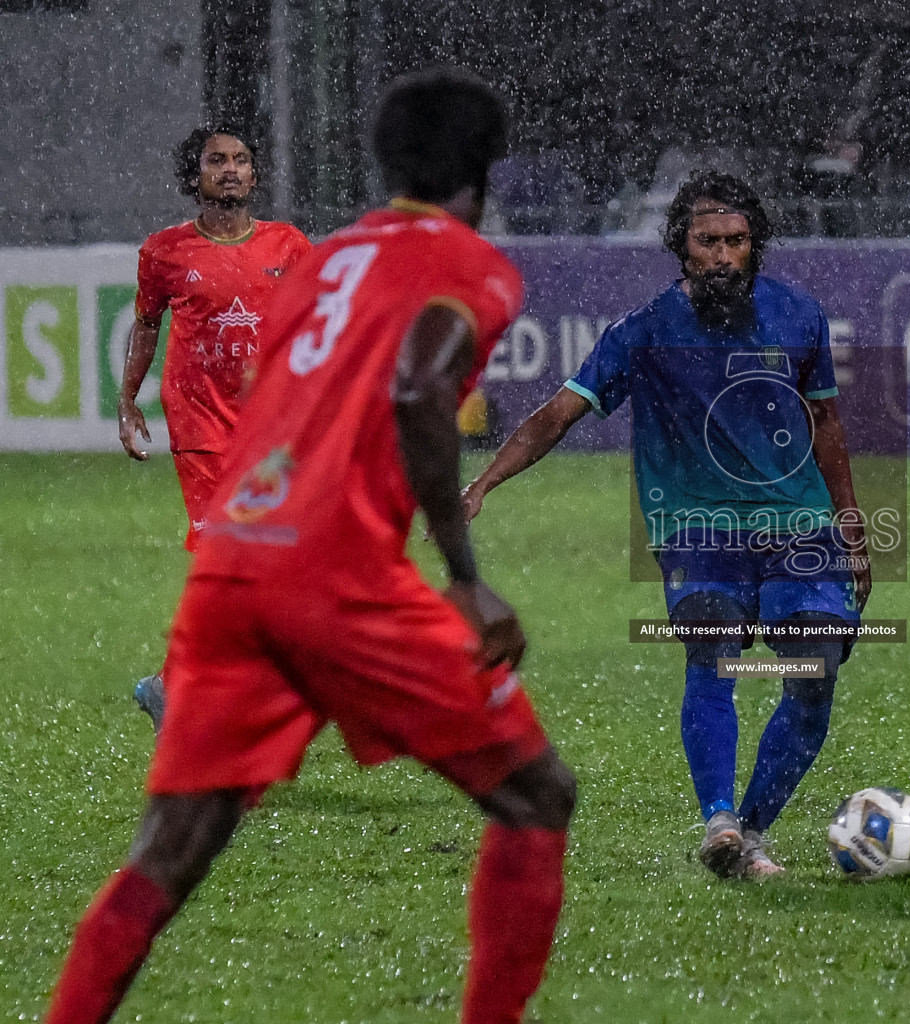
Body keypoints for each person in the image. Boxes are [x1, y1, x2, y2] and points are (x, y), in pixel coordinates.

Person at [44, 69, 574, 1024]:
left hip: (234, 566)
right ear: (487, 167)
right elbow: (419, 390)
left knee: (168, 857)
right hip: (338, 580)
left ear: (386, 162)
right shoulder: (475, 267)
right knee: (538, 795)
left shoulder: (324, 260)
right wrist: (466, 578)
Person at [463, 170, 871, 880]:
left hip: (800, 526)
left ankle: (749, 830)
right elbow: (559, 413)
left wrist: (852, 527)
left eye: (736, 242)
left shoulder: (799, 318)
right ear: (681, 249)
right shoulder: (643, 332)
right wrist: (486, 481)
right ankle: (719, 819)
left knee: (815, 672)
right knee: (712, 653)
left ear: (755, 246)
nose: (721, 255)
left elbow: (827, 425)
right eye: (707, 241)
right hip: (697, 530)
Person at [121, 125, 311, 729]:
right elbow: (147, 325)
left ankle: (172, 685)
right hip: (201, 427)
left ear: (255, 175)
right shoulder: (165, 252)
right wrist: (128, 398)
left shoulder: (289, 246)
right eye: (217, 160)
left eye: (242, 160)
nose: (230, 169)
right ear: (195, 175)